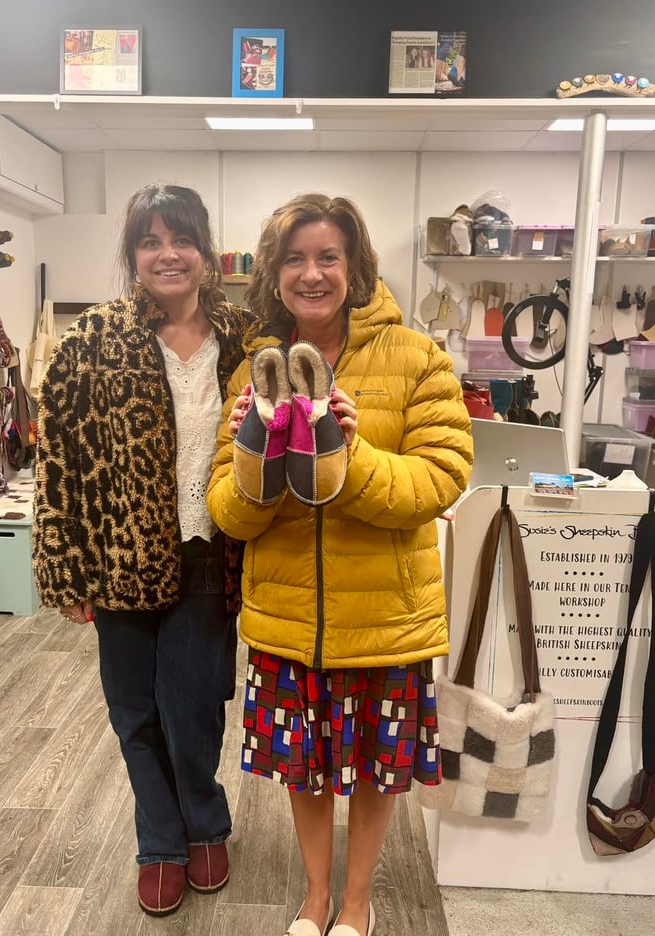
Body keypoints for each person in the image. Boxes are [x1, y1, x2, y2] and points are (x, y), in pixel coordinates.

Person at [207, 193, 473, 936]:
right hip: (289, 618)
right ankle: (315, 896)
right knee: (305, 772)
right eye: (294, 258)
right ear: (274, 271)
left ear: (354, 267)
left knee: (377, 775)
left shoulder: (418, 358)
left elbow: (441, 479)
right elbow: (228, 511)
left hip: (387, 616)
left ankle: (358, 902)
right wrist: (256, 457)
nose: (312, 273)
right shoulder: (255, 372)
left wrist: (350, 457)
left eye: (328, 256)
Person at [33, 183, 253, 918]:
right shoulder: (90, 341)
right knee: (134, 711)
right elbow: (58, 463)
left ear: (205, 251)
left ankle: (205, 818)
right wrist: (65, 568)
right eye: (151, 241)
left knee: (194, 707)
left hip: (210, 552)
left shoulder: (246, 341)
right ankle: (161, 840)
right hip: (117, 555)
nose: (168, 254)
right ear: (132, 255)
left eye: (181, 238)